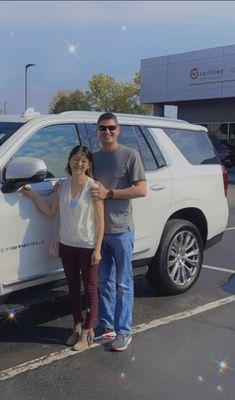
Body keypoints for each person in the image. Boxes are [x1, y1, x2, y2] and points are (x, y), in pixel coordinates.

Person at [22, 145, 104, 350]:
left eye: (84, 160)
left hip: (87, 246)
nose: (79, 163)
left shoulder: (93, 187)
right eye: (75, 159)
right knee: (73, 288)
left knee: (91, 289)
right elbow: (51, 211)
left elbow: (101, 222)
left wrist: (97, 249)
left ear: (89, 164)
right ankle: (76, 327)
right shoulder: (63, 186)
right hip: (67, 245)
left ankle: (87, 332)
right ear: (69, 161)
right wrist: (32, 195)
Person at [90, 112, 147, 351]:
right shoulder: (92, 159)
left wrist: (110, 193)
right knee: (104, 282)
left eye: (111, 128)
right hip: (99, 232)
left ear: (118, 129)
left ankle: (124, 332)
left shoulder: (130, 155)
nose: (107, 132)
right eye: (103, 128)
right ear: (98, 130)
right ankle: (107, 327)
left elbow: (141, 190)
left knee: (123, 283)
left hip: (122, 230)